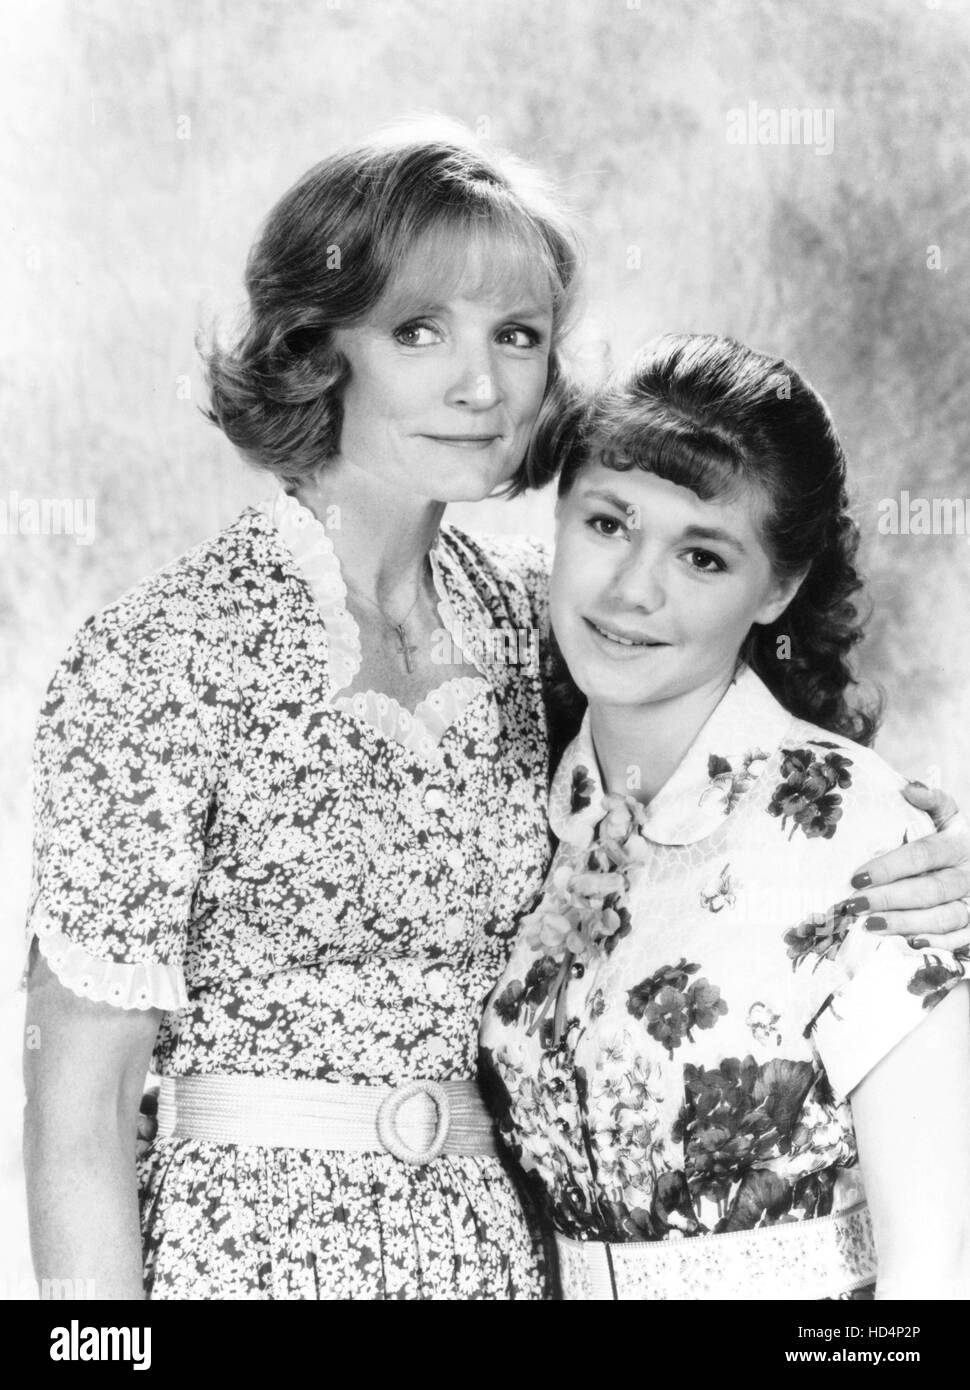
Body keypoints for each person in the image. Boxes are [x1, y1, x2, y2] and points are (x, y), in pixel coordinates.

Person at [22, 126, 970, 1303]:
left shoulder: (543, 626)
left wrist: (934, 857)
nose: (481, 387)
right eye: (419, 331)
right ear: (320, 349)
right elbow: (83, 1107)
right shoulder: (161, 657)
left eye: (515, 336)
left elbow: (745, 796)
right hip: (242, 1261)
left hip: (495, 1267)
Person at [480, 334, 970, 1301]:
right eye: (609, 524)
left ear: (778, 589)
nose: (633, 590)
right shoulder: (526, 807)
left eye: (702, 556)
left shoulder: (865, 836)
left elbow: (939, 1268)